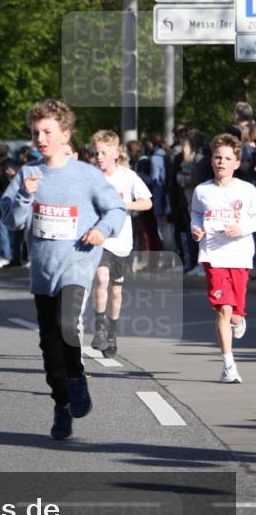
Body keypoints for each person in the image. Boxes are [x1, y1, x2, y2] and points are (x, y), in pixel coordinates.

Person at [1, 99, 125, 441]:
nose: (40, 139)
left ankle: (76, 377)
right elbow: (11, 221)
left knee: (66, 325)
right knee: (49, 344)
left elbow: (116, 210)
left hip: (77, 265)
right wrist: (24, 196)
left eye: (47, 132)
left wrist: (102, 230)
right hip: (44, 271)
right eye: (35, 133)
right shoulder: (27, 174)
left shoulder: (87, 175)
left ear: (65, 134)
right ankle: (61, 401)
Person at [191, 133, 256, 384]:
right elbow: (196, 215)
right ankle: (229, 366)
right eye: (218, 157)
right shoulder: (202, 191)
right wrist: (196, 229)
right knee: (223, 308)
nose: (221, 162)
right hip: (213, 255)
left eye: (227, 158)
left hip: (239, 255)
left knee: (235, 314)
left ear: (236, 163)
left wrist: (243, 228)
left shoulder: (247, 190)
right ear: (212, 160)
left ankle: (239, 317)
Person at [90, 130, 153, 357]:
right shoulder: (91, 177)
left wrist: (125, 205)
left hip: (121, 241)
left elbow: (147, 202)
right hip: (98, 239)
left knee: (115, 291)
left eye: (103, 153)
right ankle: (99, 326)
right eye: (96, 153)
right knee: (101, 278)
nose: (99, 157)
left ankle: (112, 334)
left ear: (116, 153)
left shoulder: (127, 176)